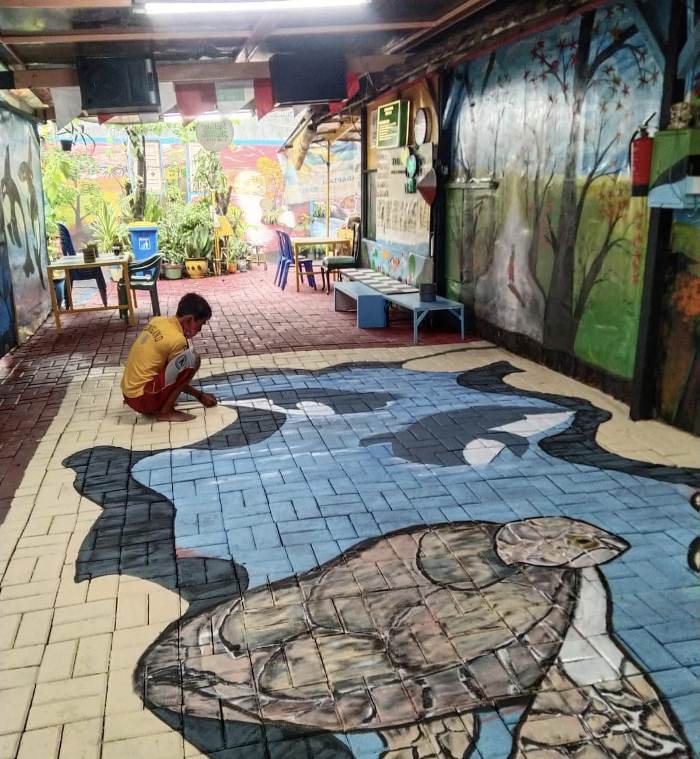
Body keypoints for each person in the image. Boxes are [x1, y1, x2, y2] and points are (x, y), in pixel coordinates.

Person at [121, 292, 217, 422]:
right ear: (189, 319)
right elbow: (177, 379)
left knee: (174, 363)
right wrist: (199, 395)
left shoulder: (158, 321)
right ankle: (166, 412)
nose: (199, 330)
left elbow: (171, 374)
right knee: (193, 359)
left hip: (129, 394)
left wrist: (199, 395)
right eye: (201, 324)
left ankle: (160, 403)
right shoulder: (177, 340)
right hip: (141, 400)